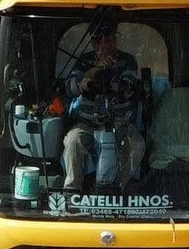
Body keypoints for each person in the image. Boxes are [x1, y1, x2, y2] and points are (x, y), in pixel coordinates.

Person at [61, 24, 145, 190]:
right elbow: (70, 88)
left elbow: (128, 87)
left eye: (114, 39)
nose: (111, 45)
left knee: (136, 145)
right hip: (88, 123)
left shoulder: (127, 60)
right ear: (94, 43)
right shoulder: (84, 61)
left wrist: (109, 84)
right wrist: (93, 72)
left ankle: (120, 190)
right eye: (107, 41)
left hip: (119, 123)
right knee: (72, 140)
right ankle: (71, 192)